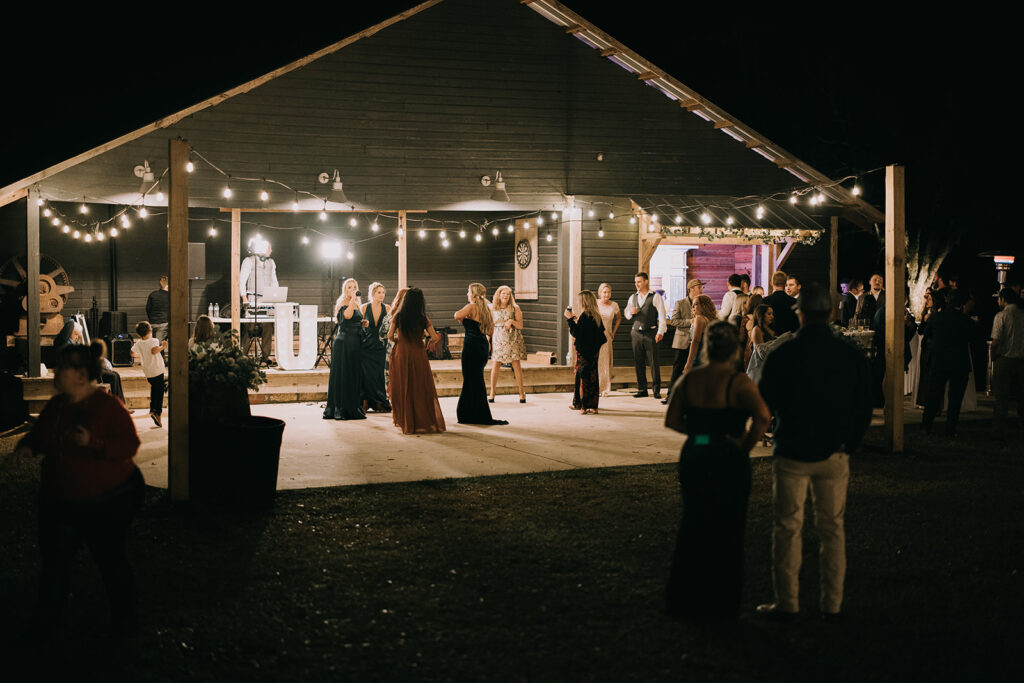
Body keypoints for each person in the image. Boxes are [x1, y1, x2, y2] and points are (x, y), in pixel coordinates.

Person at [756, 283, 872, 621]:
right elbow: (863, 405)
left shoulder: (784, 354)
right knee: (832, 529)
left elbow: (766, 400)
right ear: (832, 314)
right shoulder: (850, 354)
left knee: (787, 527)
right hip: (834, 451)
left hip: (792, 449)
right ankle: (831, 603)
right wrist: (850, 442)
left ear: (800, 313)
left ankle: (787, 601)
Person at [12, 343, 144, 636]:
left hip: (104, 501)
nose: (57, 373)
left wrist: (95, 444)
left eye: (63, 368)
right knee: (54, 563)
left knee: (110, 561)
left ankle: (125, 621)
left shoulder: (108, 407)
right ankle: (45, 623)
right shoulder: (58, 405)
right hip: (58, 500)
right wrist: (29, 445)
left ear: (82, 375)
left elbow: (129, 445)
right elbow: (43, 433)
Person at [664, 321, 771, 620]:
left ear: (707, 348)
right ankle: (722, 603)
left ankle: (684, 599)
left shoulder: (690, 380)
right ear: (734, 350)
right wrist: (743, 447)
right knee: (729, 528)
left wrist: (699, 433)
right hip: (728, 457)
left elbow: (671, 420)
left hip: (696, 455)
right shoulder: (739, 383)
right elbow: (763, 417)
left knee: (693, 522)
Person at [389, 287, 446, 434]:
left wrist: (398, 340)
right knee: (419, 386)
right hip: (418, 353)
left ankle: (406, 421)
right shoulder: (423, 318)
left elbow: (389, 336)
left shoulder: (398, 316)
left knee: (403, 385)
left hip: (401, 352)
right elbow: (435, 337)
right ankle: (421, 420)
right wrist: (430, 343)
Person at [455, 283, 507, 425]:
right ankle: (477, 412)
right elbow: (491, 330)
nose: (467, 294)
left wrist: (463, 318)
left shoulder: (472, 307)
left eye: (468, 291)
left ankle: (469, 413)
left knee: (470, 379)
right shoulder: (487, 308)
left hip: (471, 345)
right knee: (477, 379)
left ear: (473, 294)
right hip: (483, 345)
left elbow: (456, 315)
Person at [323, 278, 366, 421]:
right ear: (345, 290)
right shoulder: (344, 303)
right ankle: (340, 408)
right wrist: (353, 299)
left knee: (353, 373)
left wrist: (363, 323)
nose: (353, 289)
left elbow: (355, 319)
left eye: (354, 287)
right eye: (349, 287)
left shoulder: (357, 304)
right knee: (343, 373)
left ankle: (352, 406)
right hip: (344, 342)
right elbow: (346, 316)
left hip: (355, 342)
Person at [625, 272, 667, 398]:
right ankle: (642, 390)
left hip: (651, 333)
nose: (636, 284)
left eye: (639, 282)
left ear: (646, 281)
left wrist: (660, 332)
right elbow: (626, 314)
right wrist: (630, 312)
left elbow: (662, 316)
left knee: (654, 363)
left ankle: (656, 391)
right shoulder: (633, 297)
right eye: (635, 282)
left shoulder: (655, 296)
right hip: (636, 333)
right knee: (639, 362)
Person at [565, 290, 606, 414]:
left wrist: (569, 320)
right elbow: (600, 335)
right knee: (593, 376)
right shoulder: (596, 316)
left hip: (584, 351)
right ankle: (593, 406)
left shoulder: (585, 315)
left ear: (584, 301)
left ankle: (583, 406)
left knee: (582, 376)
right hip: (594, 352)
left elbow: (577, 333)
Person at [991, 288, 1024, 436]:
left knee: (1001, 397)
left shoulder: (1001, 316)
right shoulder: (1022, 315)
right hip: (1021, 360)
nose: (998, 301)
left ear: (1003, 299)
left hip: (1004, 359)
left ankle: (998, 429)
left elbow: (996, 340)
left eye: (999, 298)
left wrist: (993, 356)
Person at [239, 242, 278, 364]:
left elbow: (274, 281)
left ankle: (265, 356)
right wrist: (244, 298)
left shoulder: (271, 263)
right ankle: (242, 355)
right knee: (248, 327)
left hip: (267, 299)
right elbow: (242, 280)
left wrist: (276, 298)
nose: (271, 250)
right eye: (270, 248)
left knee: (268, 326)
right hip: (253, 298)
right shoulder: (248, 261)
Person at [664, 279, 702, 403]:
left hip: (696, 341)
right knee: (678, 369)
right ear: (691, 289)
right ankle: (671, 396)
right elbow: (674, 321)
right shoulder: (680, 303)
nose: (701, 289)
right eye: (699, 287)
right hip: (681, 342)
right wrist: (689, 322)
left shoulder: (702, 304)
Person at [489, 285, 527, 403]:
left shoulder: (515, 308)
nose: (505, 296)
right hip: (498, 338)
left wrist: (511, 321)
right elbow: (490, 326)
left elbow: (520, 326)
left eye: (508, 294)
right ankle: (492, 392)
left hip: (512, 338)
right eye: (503, 293)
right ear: (498, 295)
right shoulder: (492, 308)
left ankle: (521, 393)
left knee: (516, 365)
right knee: (495, 365)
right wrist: (488, 339)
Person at [360, 283, 391, 413]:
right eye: (379, 292)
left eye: (383, 292)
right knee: (366, 375)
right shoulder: (364, 308)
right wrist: (362, 324)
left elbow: (391, 326)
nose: (381, 295)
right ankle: (365, 401)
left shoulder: (388, 308)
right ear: (373, 294)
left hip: (380, 346)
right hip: (366, 346)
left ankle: (378, 401)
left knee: (379, 375)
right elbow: (358, 325)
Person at [131, 321, 166, 428]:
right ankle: (157, 413)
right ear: (151, 330)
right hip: (157, 370)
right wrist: (163, 347)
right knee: (159, 392)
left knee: (154, 389)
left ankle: (152, 409)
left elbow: (132, 352)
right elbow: (154, 351)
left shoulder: (139, 343)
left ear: (138, 334)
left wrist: (141, 355)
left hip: (148, 372)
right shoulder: (154, 340)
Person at [596, 283, 621, 397]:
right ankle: (595, 387)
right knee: (596, 362)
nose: (606, 294)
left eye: (608, 292)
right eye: (604, 292)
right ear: (600, 293)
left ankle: (605, 388)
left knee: (605, 362)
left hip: (607, 336)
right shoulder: (595, 303)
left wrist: (613, 332)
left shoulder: (614, 305)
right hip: (596, 335)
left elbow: (619, 318)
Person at [682, 295, 718, 376]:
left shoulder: (699, 319)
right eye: (693, 305)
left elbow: (695, 341)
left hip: (698, 357)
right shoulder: (707, 319)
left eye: (696, 304)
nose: (694, 307)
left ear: (704, 306)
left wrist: (688, 363)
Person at [384, 288, 409, 390]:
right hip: (399, 348)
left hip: (395, 346)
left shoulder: (392, 313)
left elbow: (383, 333)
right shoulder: (412, 314)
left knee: (393, 378)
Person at [93, 339, 126, 404]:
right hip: (95, 374)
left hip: (99, 370)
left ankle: (121, 403)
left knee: (116, 374)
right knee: (112, 376)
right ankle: (116, 403)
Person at [740, 293, 764, 368]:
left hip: (749, 349)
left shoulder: (746, 318)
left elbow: (741, 337)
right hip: (763, 349)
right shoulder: (764, 317)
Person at [145, 276, 170, 345]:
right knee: (158, 346)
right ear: (168, 285)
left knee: (152, 344)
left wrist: (151, 318)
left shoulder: (153, 294)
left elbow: (148, 309)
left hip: (152, 323)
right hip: (163, 323)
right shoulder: (170, 296)